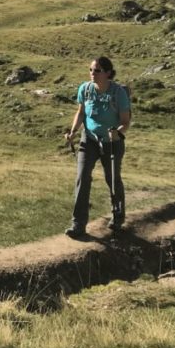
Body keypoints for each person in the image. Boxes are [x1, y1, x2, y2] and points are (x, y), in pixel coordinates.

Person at [64, 56, 131, 238]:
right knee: (82, 176)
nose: (93, 73)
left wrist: (117, 132)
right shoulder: (85, 89)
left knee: (112, 179)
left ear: (108, 73)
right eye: (91, 70)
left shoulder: (119, 93)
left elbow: (125, 121)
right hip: (89, 140)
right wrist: (73, 132)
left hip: (112, 143)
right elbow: (81, 112)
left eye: (97, 70)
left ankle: (117, 217)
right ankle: (78, 224)